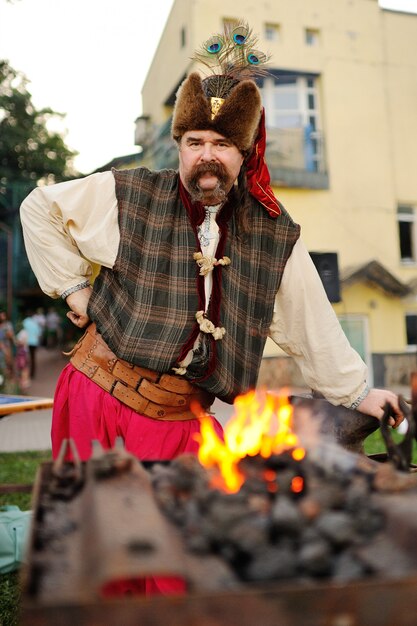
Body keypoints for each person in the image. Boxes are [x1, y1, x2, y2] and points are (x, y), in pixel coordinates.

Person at [20, 23, 403, 465]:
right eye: (194, 142)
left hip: (184, 417)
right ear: (179, 147)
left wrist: (358, 394)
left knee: (185, 525)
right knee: (94, 523)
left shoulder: (272, 232)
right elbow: (38, 209)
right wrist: (75, 292)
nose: (207, 155)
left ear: (244, 153)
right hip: (97, 394)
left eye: (222, 144)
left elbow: (310, 321)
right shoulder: (130, 193)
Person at [22, 311, 42, 379]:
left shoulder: (25, 322)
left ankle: (25, 374)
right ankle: (32, 373)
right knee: (33, 358)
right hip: (34, 342)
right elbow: (38, 333)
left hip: (26, 342)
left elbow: (22, 332)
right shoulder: (35, 322)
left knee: (25, 357)